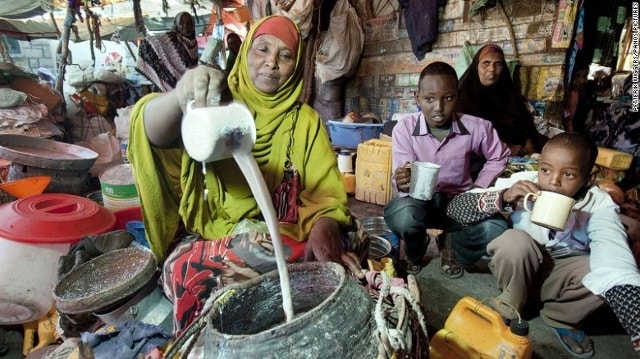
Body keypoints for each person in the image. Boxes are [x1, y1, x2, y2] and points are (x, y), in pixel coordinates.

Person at [127, 15, 363, 335]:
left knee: (346, 255)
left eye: (285, 55)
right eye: (262, 49)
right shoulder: (218, 106)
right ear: (246, 52)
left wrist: (325, 225)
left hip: (288, 231)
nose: (271, 63)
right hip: (222, 232)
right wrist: (181, 96)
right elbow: (153, 133)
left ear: (296, 66)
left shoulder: (306, 122)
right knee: (183, 271)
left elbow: (325, 194)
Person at [447, 132, 640, 357]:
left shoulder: (599, 204)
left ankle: (560, 316)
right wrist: (504, 197)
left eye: (568, 174)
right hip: (521, 268)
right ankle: (510, 304)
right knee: (513, 241)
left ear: (588, 178)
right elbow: (455, 209)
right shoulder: (523, 183)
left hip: (560, 275)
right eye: (546, 170)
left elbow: (613, 255)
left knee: (602, 272)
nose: (553, 181)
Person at [382, 61, 511, 278]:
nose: (439, 108)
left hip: (459, 203)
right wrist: (402, 179)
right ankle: (417, 245)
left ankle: (454, 245)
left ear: (458, 96)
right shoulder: (404, 129)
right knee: (402, 216)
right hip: (419, 202)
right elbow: (402, 174)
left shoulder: (478, 127)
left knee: (497, 228)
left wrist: (478, 188)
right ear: (417, 98)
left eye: (448, 98)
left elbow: (499, 156)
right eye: (429, 99)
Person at [456, 44, 546, 156]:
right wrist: (507, 149)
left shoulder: (508, 94)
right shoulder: (463, 99)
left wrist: (528, 142)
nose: (492, 69)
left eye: (497, 64)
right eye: (486, 64)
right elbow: (468, 139)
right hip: (484, 158)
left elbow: (525, 125)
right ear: (476, 66)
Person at [135, 11, 199, 92]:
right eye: (181, 22)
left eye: (189, 23)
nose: (185, 25)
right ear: (176, 24)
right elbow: (148, 43)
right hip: (165, 87)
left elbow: (191, 67)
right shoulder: (170, 38)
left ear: (193, 25)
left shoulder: (194, 43)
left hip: (187, 87)